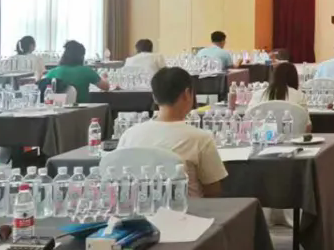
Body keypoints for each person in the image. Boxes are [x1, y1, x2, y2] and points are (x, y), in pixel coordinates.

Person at [117, 67, 228, 198]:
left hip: (139, 207)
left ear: (154, 98)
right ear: (187, 94)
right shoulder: (200, 139)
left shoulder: (129, 135)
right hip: (188, 209)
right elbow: (213, 191)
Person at [38, 40, 109, 104]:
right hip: (82, 110)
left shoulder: (52, 72)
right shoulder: (86, 71)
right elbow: (106, 87)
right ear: (81, 57)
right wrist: (104, 77)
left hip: (56, 111)